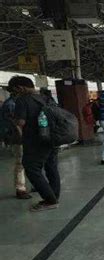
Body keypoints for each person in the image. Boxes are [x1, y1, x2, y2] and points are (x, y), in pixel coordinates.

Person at [12, 76, 60, 211]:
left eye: (15, 90)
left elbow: (21, 122)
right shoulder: (46, 98)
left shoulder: (23, 100)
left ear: (20, 87)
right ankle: (54, 196)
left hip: (35, 140)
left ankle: (50, 200)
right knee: (51, 167)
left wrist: (14, 122)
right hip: (53, 137)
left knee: (31, 168)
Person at [1, 86, 30, 199]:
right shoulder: (12, 105)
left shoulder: (12, 103)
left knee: (23, 162)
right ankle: (20, 188)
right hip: (18, 138)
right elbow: (17, 124)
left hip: (17, 137)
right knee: (20, 162)